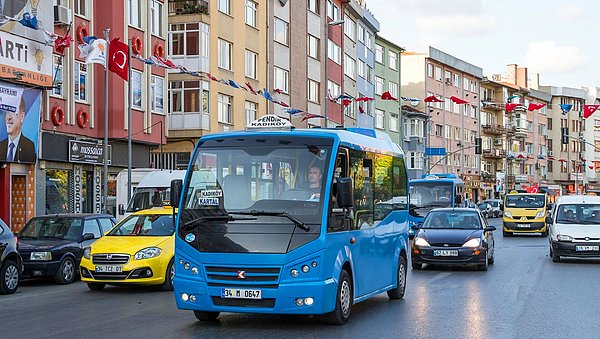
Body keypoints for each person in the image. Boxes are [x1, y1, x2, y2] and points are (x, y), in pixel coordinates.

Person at [0, 97, 36, 163]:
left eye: (13, 111)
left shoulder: (29, 146)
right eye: (7, 111)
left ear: (22, 117)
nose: (8, 117)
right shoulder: (1, 145)